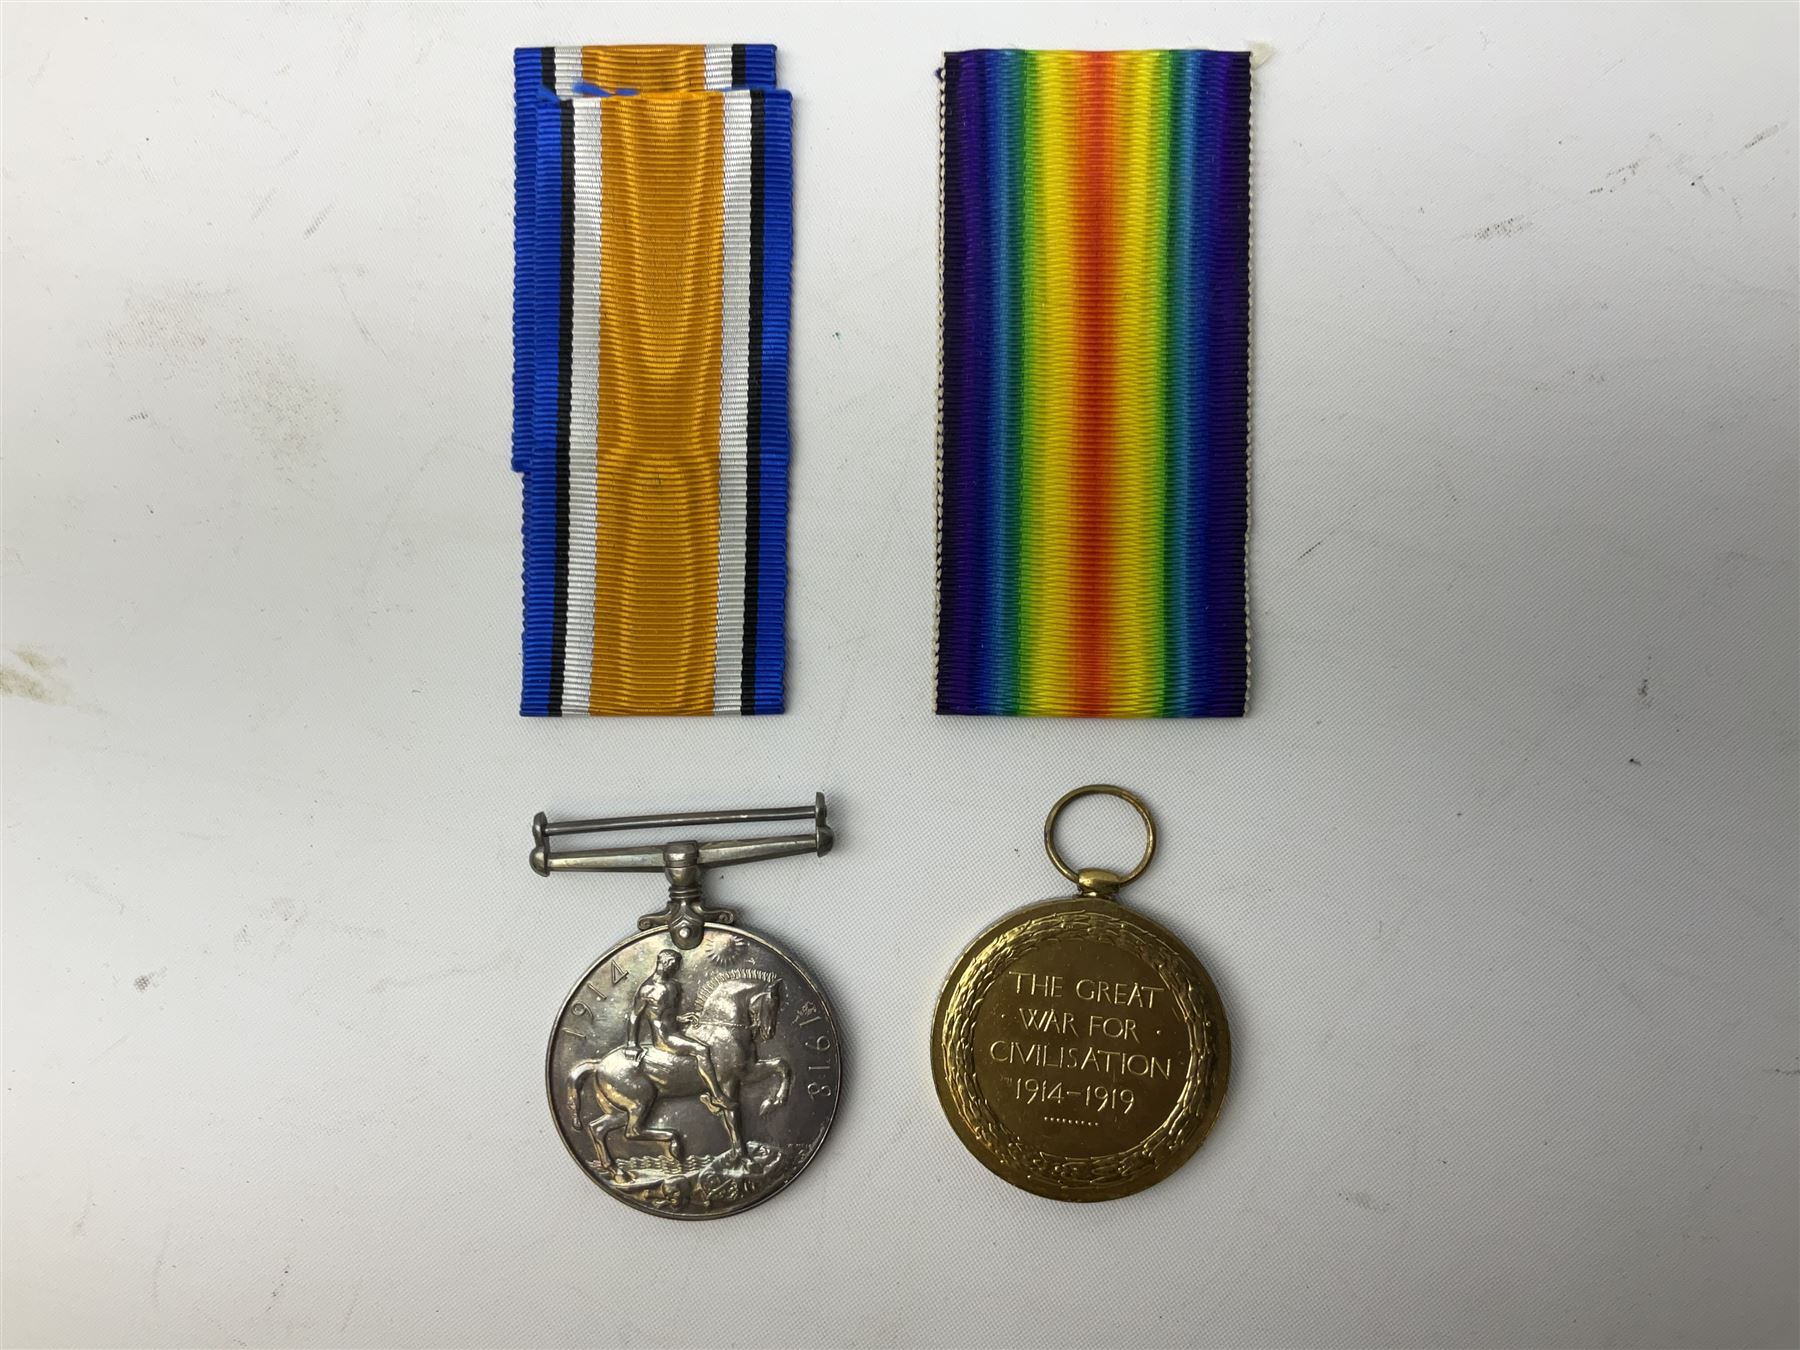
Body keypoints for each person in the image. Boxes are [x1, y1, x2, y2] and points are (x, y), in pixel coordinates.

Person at [626, 949, 726, 1110]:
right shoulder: (647, 990)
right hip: (664, 1038)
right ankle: (717, 1096)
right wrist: (632, 1044)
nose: (677, 969)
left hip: (677, 1031)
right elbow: (634, 1016)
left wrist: (682, 1019)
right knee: (701, 1049)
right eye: (674, 965)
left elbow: (669, 1015)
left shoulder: (674, 986)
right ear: (664, 963)